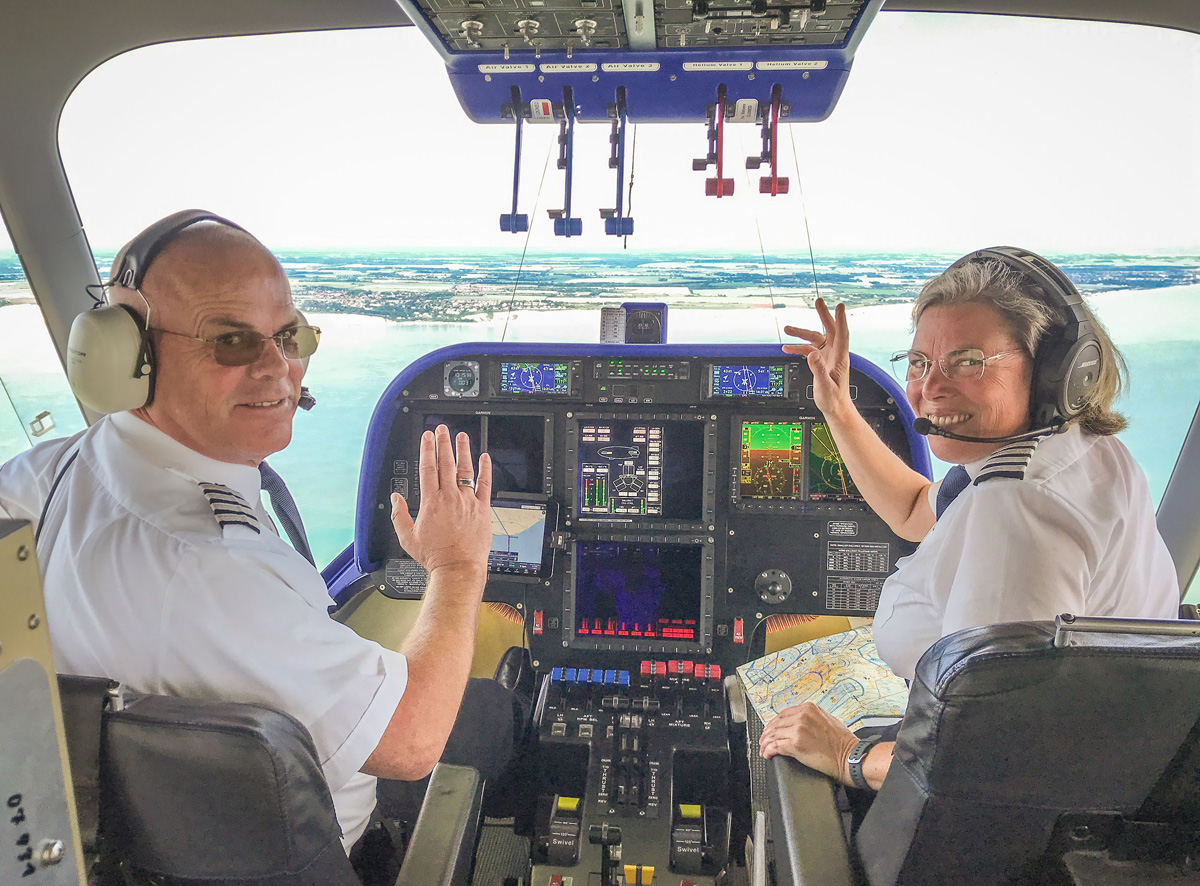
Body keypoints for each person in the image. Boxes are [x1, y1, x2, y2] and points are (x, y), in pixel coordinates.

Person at [0, 213, 526, 856]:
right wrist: (458, 568)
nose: (278, 368)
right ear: (126, 358)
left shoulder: (37, 477)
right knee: (503, 710)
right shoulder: (211, 567)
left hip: (141, 845)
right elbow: (412, 740)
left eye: (289, 335)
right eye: (231, 341)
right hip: (309, 851)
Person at [759, 249, 1179, 792]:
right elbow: (914, 510)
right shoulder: (1073, 452)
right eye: (918, 363)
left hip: (979, 816)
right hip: (1098, 762)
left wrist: (847, 755)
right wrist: (837, 405)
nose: (931, 387)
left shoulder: (1018, 511)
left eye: (968, 361)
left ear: (1055, 371)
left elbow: (981, 755)